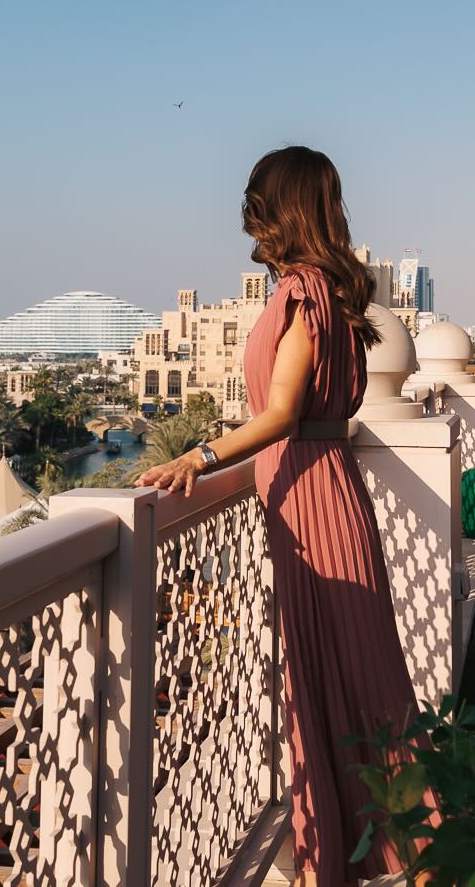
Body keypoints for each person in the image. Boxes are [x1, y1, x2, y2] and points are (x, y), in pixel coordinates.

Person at [136, 145, 423, 886]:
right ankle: (370, 851)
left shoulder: (301, 292)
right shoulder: (328, 290)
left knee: (345, 680)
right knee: (351, 678)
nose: (249, 225)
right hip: (322, 491)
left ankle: (376, 855)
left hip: (313, 500)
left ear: (281, 210)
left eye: (257, 208)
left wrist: (198, 456)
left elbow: (282, 413)